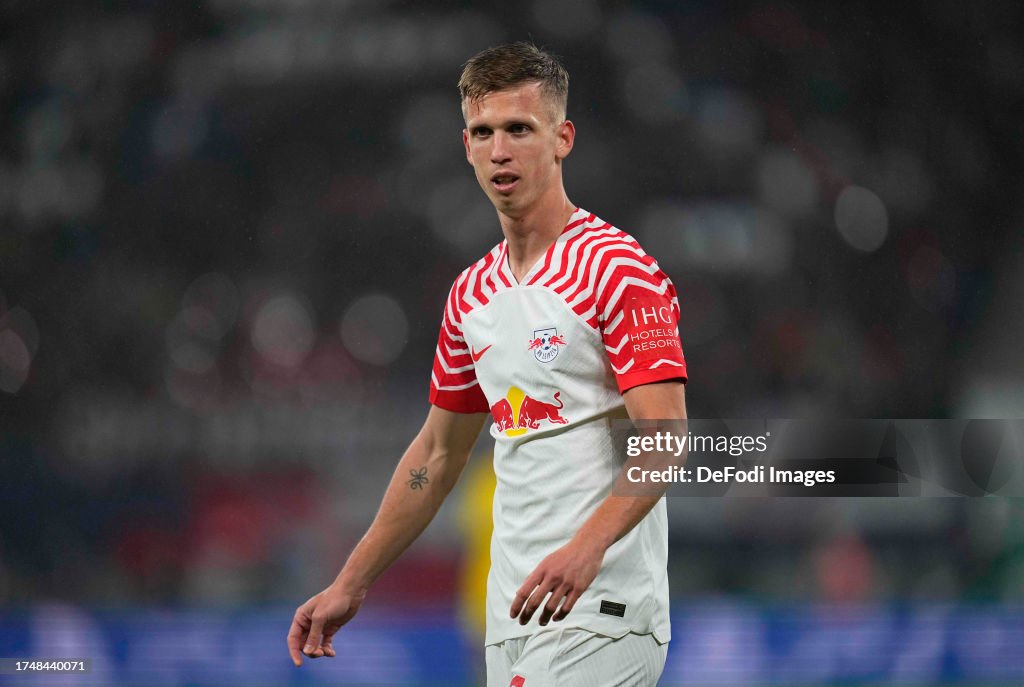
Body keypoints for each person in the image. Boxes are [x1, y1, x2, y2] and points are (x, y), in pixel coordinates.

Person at [287, 42, 688, 686]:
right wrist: (351, 581)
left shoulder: (616, 269)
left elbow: (665, 438)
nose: (500, 149)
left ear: (563, 139)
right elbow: (437, 456)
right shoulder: (471, 295)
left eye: (519, 130)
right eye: (483, 132)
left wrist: (586, 551)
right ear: (466, 146)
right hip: (509, 621)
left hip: (602, 613)